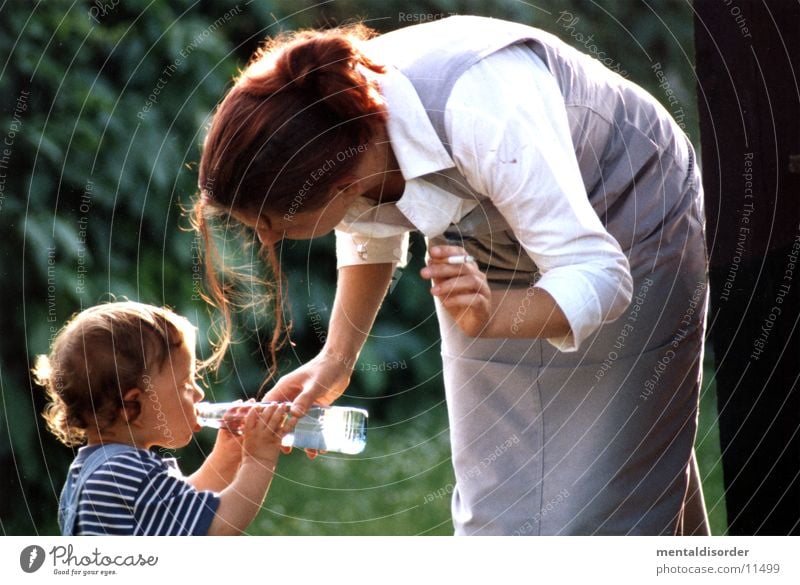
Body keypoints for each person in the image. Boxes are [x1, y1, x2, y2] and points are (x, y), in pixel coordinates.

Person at [194, 15, 709, 535]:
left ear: (343, 181)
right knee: (496, 500)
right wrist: (336, 359)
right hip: (488, 239)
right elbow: (368, 225)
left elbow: (599, 273)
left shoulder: (480, 106)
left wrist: (494, 314)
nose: (267, 241)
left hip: (627, 212)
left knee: (607, 488)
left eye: (270, 224)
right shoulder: (342, 140)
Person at [33, 301, 289, 536]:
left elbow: (173, 513)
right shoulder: (122, 472)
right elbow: (217, 527)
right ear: (132, 406)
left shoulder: (95, 468)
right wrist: (259, 457)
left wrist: (225, 457)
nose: (199, 393)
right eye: (185, 385)